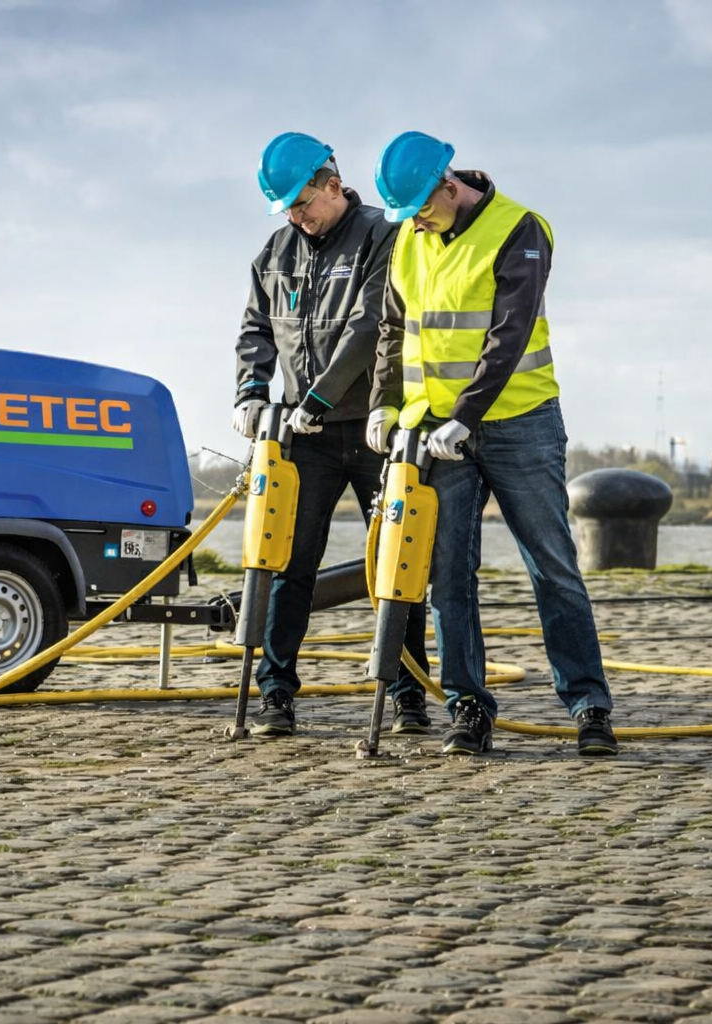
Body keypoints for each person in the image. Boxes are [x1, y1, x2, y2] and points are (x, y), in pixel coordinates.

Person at [366, 130, 619, 757]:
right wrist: (385, 404)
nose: (417, 224)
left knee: (552, 566)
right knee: (447, 575)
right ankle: (467, 709)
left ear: (449, 186)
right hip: (435, 433)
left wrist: (467, 417)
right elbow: (392, 332)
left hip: (518, 424)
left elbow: (510, 334)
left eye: (422, 208)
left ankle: (589, 707)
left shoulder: (520, 230)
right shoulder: (408, 239)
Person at [234, 131, 432, 738]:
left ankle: (407, 693)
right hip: (305, 436)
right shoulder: (276, 251)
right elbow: (255, 328)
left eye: (304, 201)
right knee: (288, 561)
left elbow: (371, 324)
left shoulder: (381, 235)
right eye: (289, 206)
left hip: (373, 425)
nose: (298, 215)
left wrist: (317, 396)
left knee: (395, 565)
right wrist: (250, 389)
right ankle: (275, 694)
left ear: (332, 182)